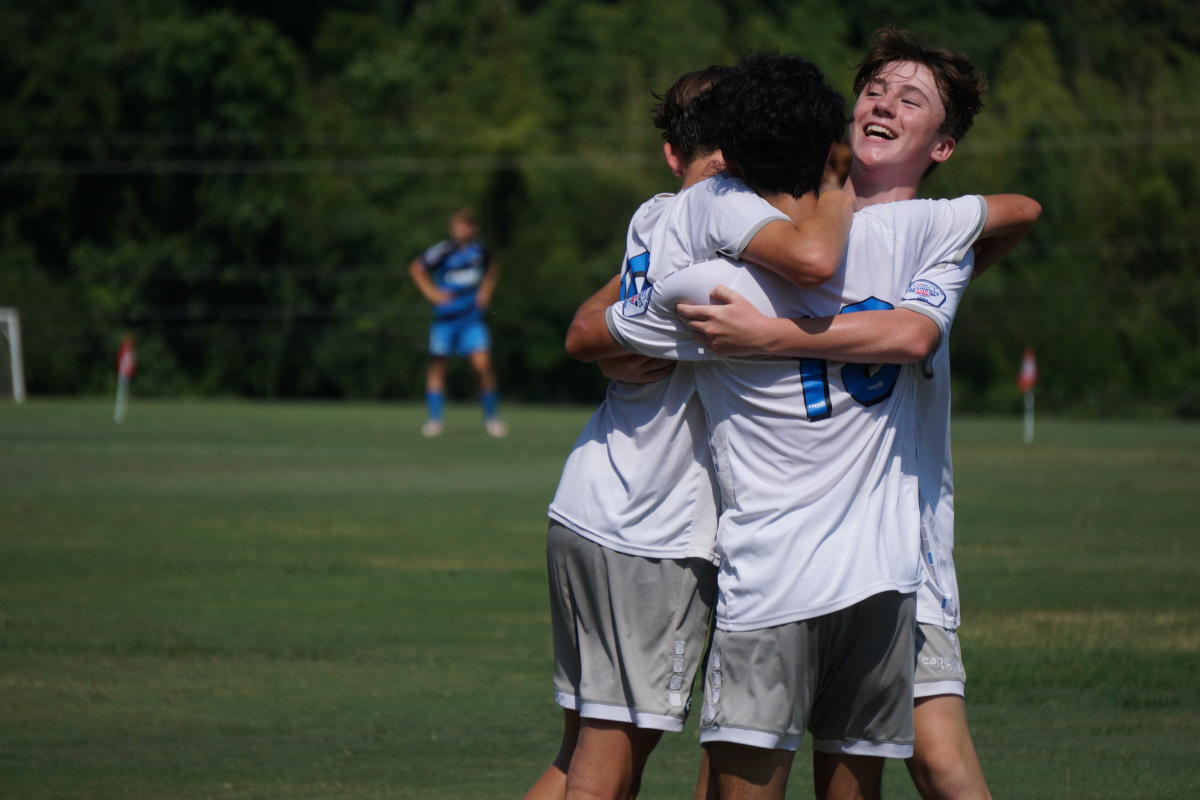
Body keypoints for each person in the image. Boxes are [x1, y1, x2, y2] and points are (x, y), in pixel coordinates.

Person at [568, 52, 1038, 800]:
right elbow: (1012, 221)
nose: (882, 103)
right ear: (834, 138)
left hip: (801, 571)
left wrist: (736, 338)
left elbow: (592, 333)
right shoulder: (925, 237)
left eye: (906, 97)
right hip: (877, 572)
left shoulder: (712, 282)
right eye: (873, 92)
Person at [529, 62, 856, 800]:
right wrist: (840, 177)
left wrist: (620, 348)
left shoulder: (652, 216)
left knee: (586, 745)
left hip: (594, 496)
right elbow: (811, 257)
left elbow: (586, 331)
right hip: (651, 521)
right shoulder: (721, 203)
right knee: (610, 757)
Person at [408, 207, 506, 438]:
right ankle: (435, 420)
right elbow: (416, 268)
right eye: (456, 225)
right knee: (438, 366)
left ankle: (492, 419)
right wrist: (431, 294)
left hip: (471, 319)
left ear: (473, 228)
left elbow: (493, 267)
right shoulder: (441, 252)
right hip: (445, 321)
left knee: (482, 366)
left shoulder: (480, 251)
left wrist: (486, 291)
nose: (460, 230)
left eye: (465, 225)